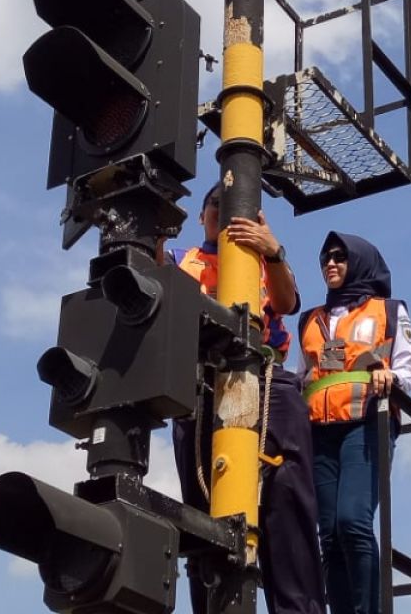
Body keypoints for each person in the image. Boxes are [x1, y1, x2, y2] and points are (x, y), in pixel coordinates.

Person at [167, 183, 325, 614]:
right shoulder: (182, 262)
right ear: (202, 217)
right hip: (200, 389)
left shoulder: (261, 259)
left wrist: (272, 251)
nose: (221, 211)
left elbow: (286, 301)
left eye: (231, 206)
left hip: (269, 380)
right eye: (213, 205)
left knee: (287, 506)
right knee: (203, 512)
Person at [298, 232, 411, 614]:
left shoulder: (387, 310)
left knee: (352, 521)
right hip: (320, 430)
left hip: (365, 422)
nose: (330, 264)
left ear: (360, 262)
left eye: (339, 257)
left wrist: (390, 378)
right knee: (329, 535)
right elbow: (303, 375)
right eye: (325, 259)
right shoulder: (311, 320)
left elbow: (407, 372)